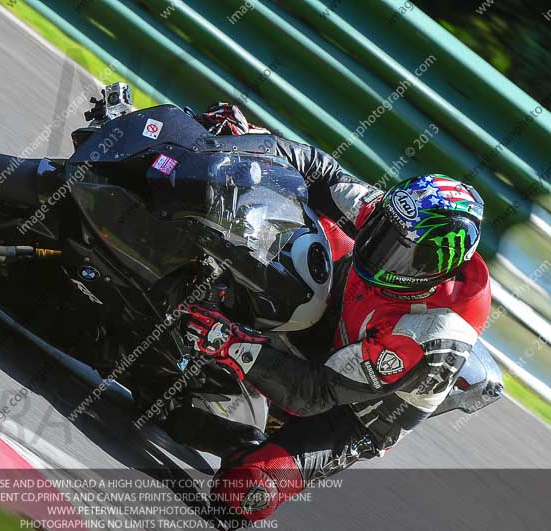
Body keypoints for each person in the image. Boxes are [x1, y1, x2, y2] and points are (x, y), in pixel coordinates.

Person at [180, 103, 491, 523]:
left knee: (241, 493)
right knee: (272, 210)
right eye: (381, 234)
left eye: (400, 257)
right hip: (338, 316)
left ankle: (250, 434)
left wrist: (228, 343)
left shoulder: (429, 334)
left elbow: (316, 392)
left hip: (352, 408)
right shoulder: (399, 220)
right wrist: (251, 139)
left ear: (435, 270)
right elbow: (321, 173)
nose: (380, 253)